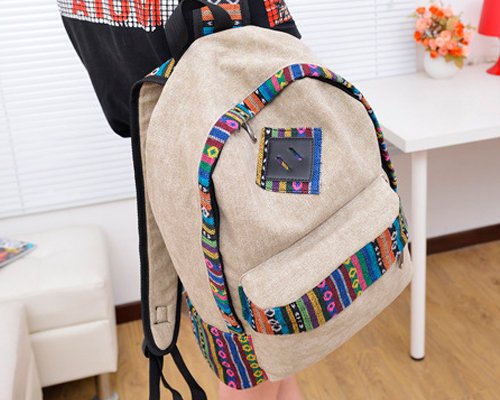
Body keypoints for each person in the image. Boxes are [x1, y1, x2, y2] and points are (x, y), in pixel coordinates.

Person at [58, 1, 304, 399]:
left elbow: (121, 103)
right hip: (238, 151)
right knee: (258, 348)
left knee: (272, 348)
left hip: (173, 157)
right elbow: (279, 55)